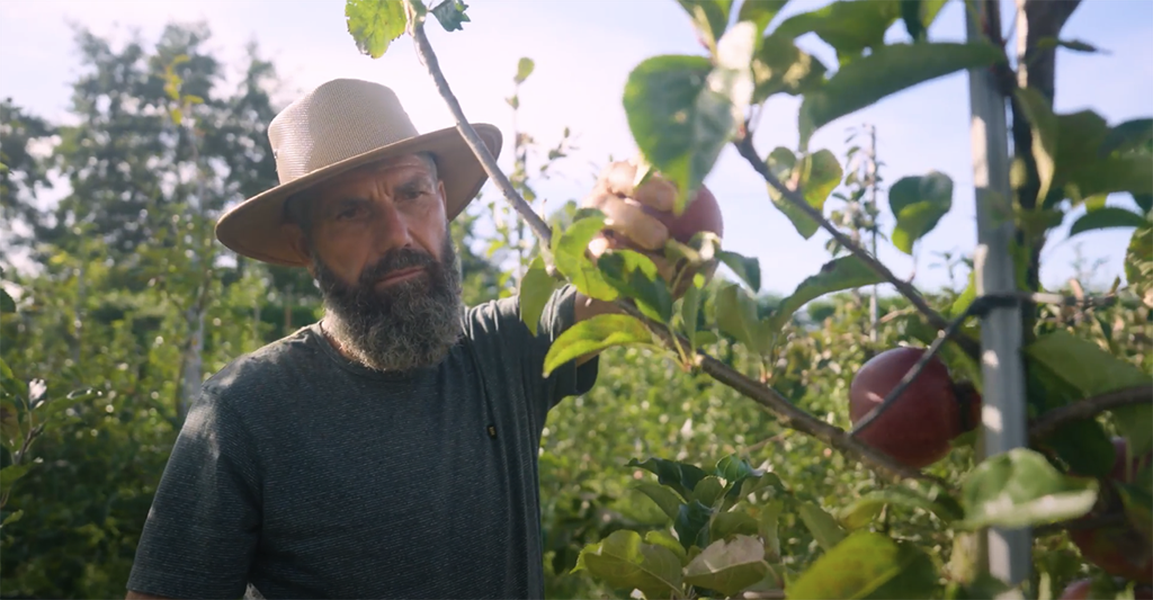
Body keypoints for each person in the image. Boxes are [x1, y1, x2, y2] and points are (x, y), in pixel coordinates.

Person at [124, 78, 715, 600]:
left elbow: (619, 293)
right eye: (350, 212)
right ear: (306, 248)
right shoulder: (246, 408)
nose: (397, 233)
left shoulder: (500, 349)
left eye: (412, 193)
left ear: (441, 200)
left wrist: (646, 223)